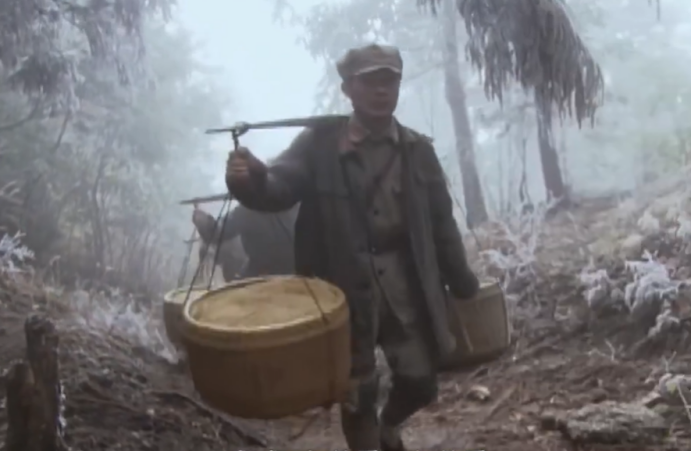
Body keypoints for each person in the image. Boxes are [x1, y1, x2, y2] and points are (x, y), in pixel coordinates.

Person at [225, 43, 479, 450]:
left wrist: (461, 279)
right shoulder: (319, 146)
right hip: (340, 286)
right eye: (370, 81)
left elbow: (442, 224)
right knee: (357, 392)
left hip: (405, 283)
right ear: (347, 89)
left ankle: (389, 425)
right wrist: (250, 179)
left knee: (421, 381)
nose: (381, 90)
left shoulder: (418, 151)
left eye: (389, 81)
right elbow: (279, 188)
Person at [192, 203, 296, 278]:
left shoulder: (246, 211)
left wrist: (202, 219)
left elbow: (216, 233)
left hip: (262, 271)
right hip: (297, 271)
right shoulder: (294, 202)